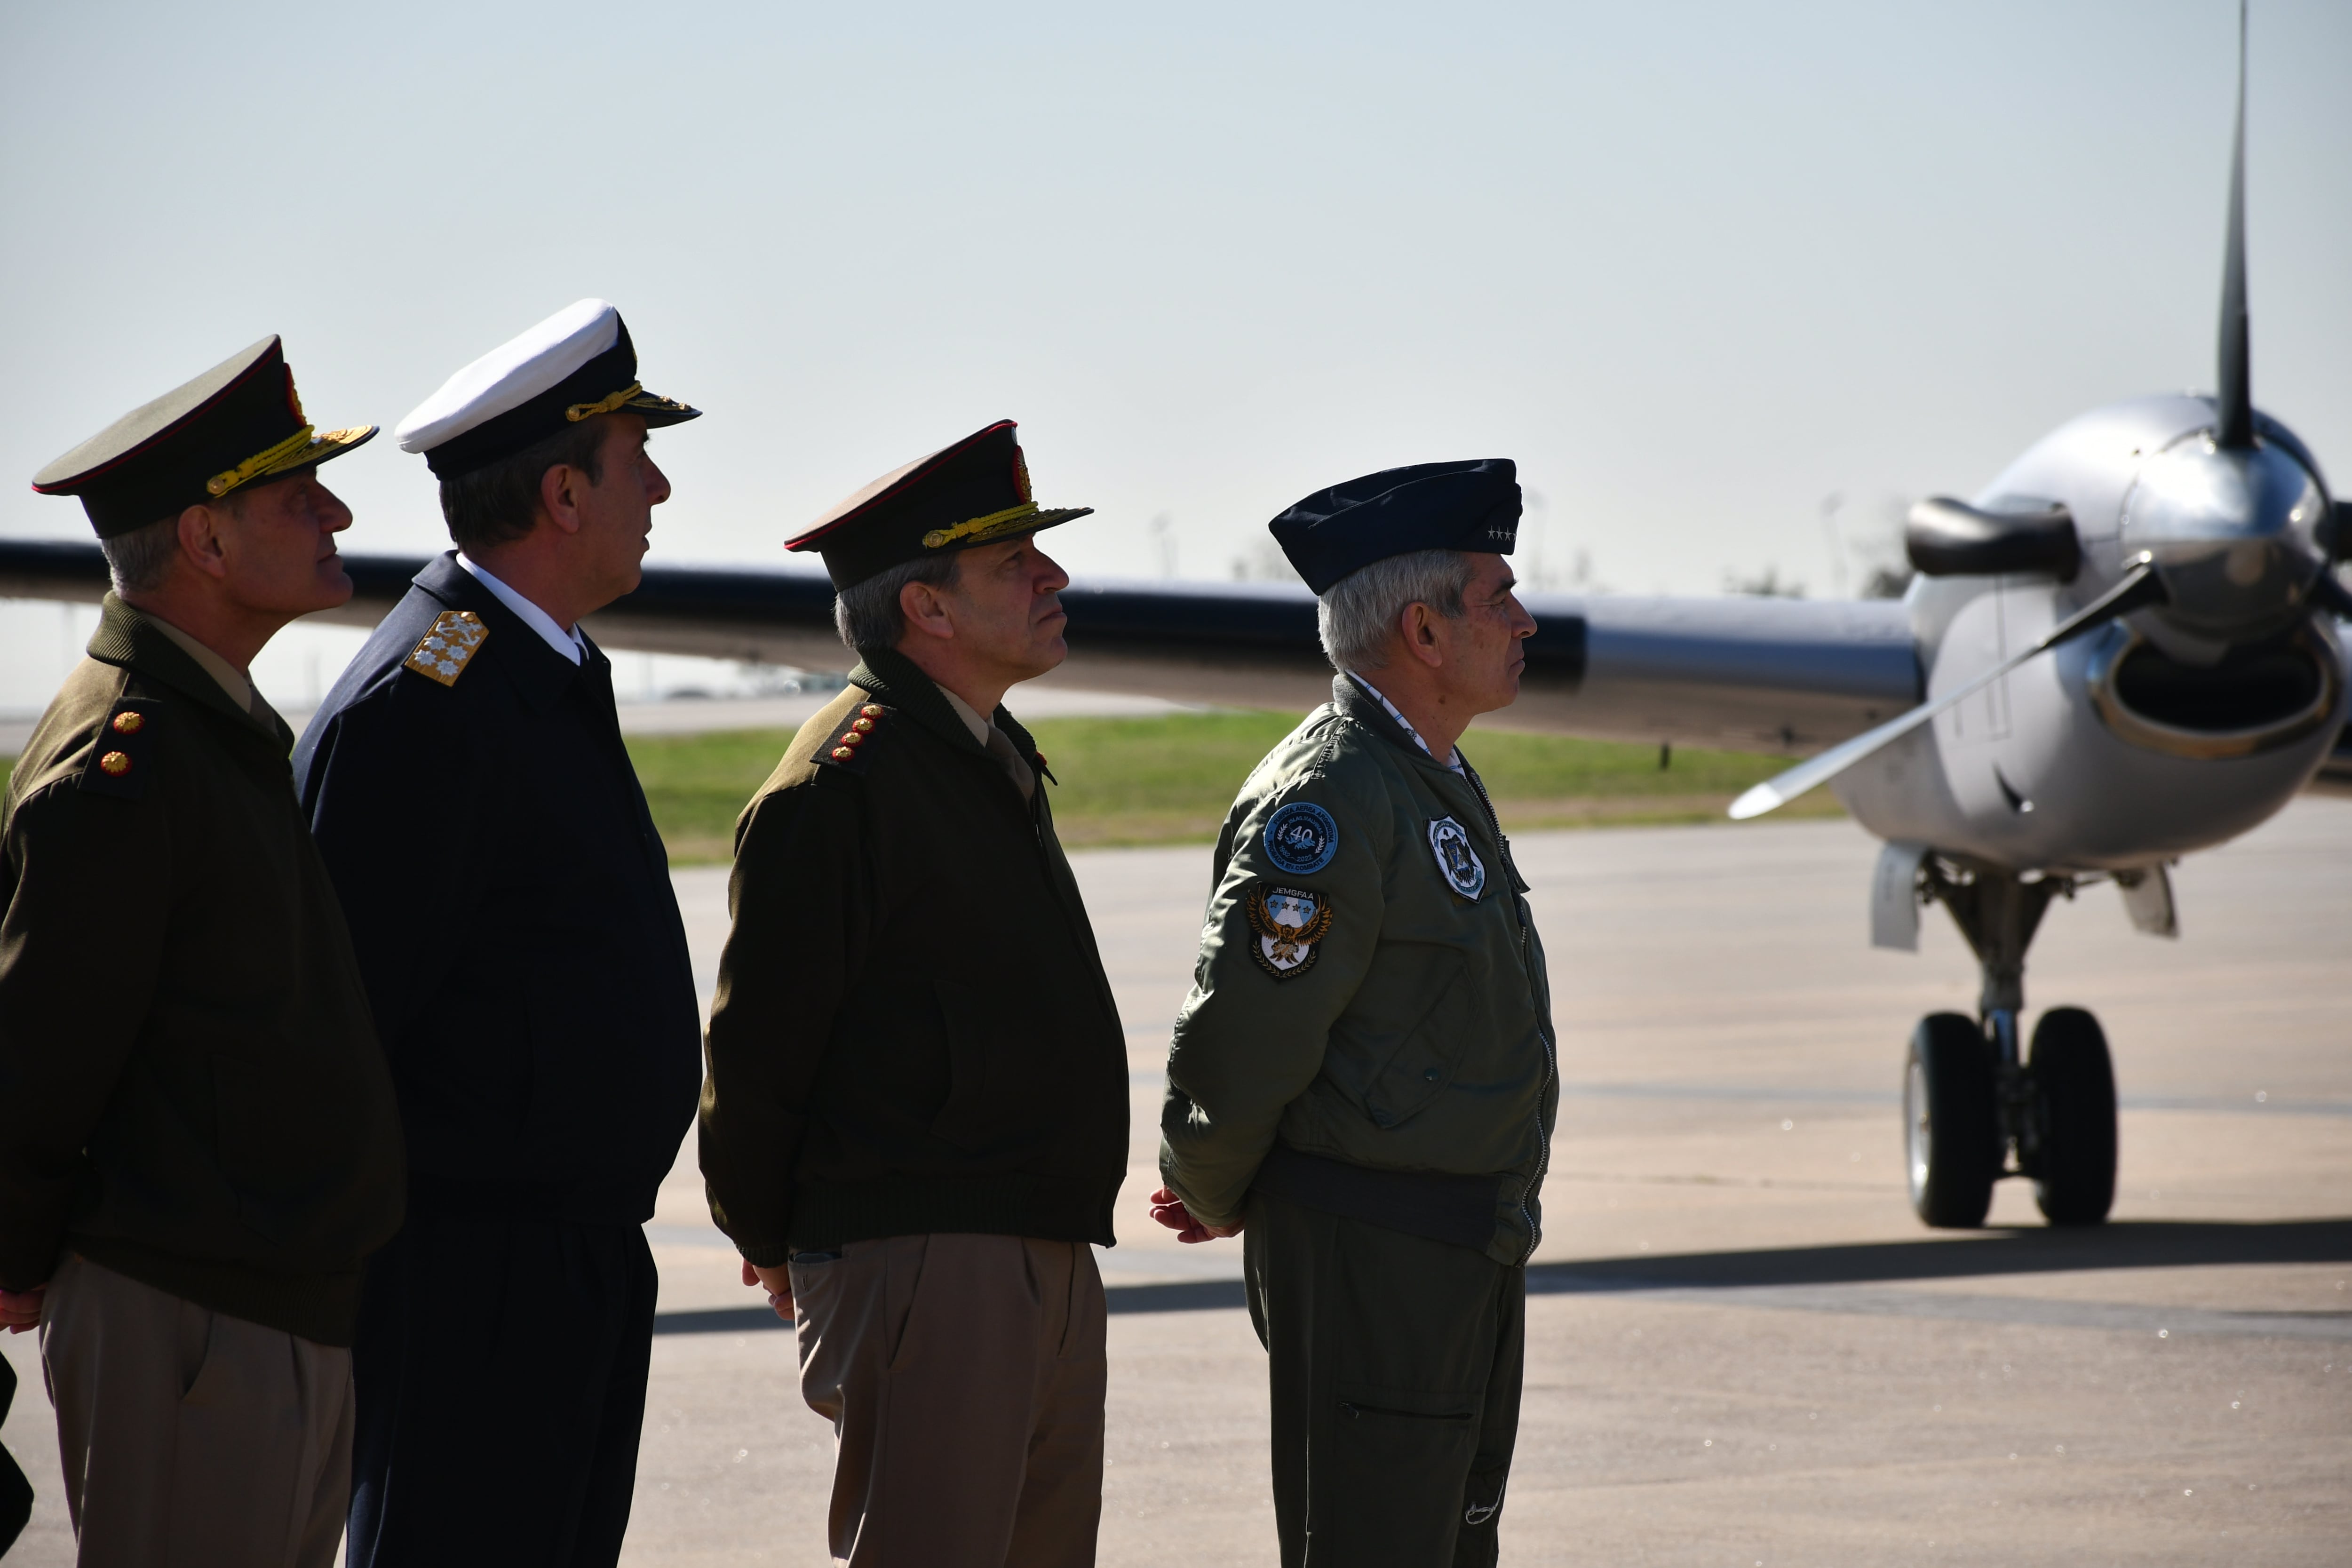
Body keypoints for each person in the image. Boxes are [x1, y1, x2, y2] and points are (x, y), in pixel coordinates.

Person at [290, 300, 704, 1568]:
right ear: (567, 494)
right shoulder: (425, 703)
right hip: (466, 1282)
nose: (665, 487)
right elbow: (340, 1034)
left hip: (566, 1261)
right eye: (640, 460)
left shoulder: (538, 668)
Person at [1, 337, 406, 1566]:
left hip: (256, 1306)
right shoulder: (128, 759)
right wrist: (19, 1256)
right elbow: (41, 1056)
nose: (337, 511)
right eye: (298, 494)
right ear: (207, 540)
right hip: (192, 1317)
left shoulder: (204, 724)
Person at [698, 419, 1128, 1568]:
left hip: (1033, 1243)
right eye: (1012, 565)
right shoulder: (841, 785)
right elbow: (758, 1053)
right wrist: (769, 1230)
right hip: (927, 1257)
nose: (1055, 577)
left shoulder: (979, 752)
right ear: (926, 610)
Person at [1149, 459, 1556, 1567]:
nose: (1523, 617)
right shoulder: (1330, 794)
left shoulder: (1422, 772)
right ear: (1422, 632)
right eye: (1496, 595)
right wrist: (1208, 1179)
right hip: (1375, 1255)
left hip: (1457, 1245)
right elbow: (1248, 1028)